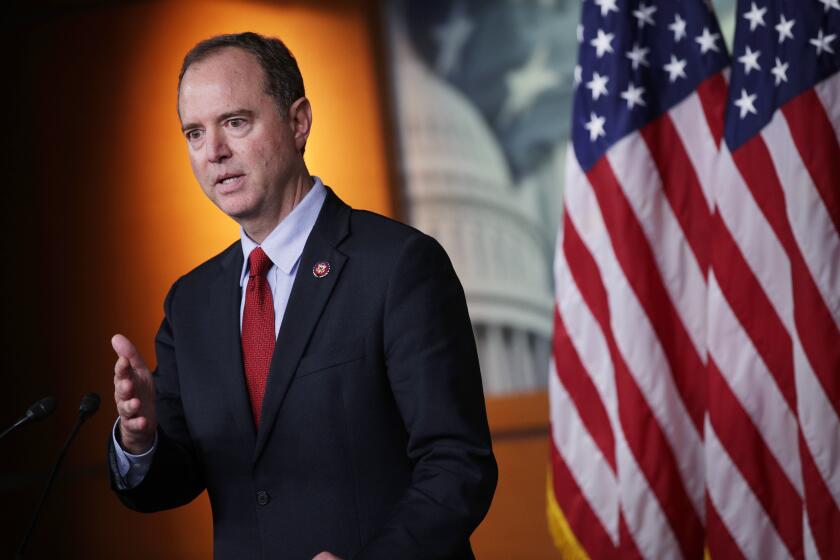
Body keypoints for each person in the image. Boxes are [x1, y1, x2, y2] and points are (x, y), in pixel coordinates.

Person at [107, 32, 497, 560]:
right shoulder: (190, 303)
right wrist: (141, 440)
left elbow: (458, 464)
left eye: (236, 123)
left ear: (298, 122)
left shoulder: (399, 265)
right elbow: (175, 481)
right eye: (194, 133)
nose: (214, 152)